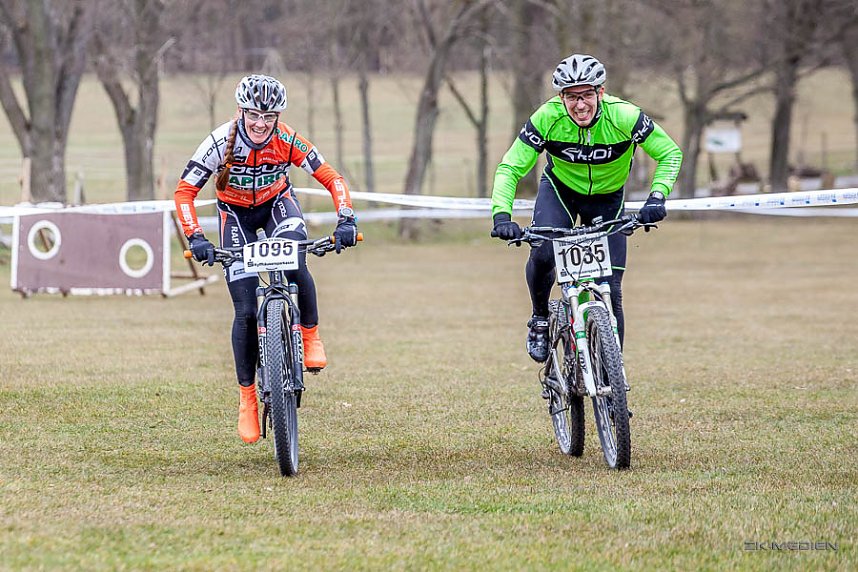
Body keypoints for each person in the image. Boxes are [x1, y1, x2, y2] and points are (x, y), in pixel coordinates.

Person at [175, 74, 359, 443]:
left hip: (278, 206)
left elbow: (332, 178)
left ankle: (310, 336)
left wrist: (346, 219)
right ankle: (247, 399)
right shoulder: (217, 143)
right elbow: (184, 193)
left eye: (269, 116)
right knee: (244, 310)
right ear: (241, 111)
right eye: (254, 115)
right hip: (235, 217)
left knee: (295, 262)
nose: (261, 123)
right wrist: (196, 238)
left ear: (278, 117)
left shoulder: (287, 140)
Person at [490, 54, 682, 363]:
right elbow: (510, 166)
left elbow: (670, 153)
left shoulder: (625, 117)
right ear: (560, 97)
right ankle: (540, 320)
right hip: (561, 191)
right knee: (542, 252)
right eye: (572, 96)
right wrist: (502, 215)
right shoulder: (546, 118)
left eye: (587, 95)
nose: (580, 105)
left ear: (601, 93)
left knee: (611, 290)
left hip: (608, 198)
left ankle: (612, 376)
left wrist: (657, 197)